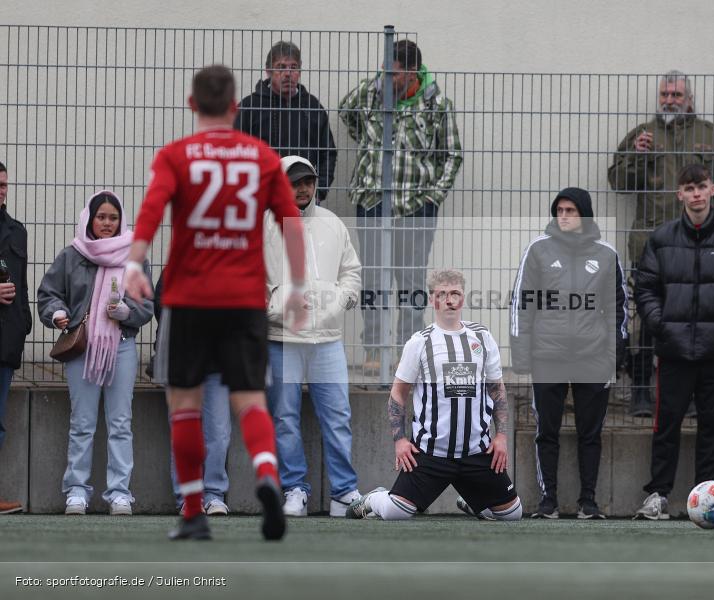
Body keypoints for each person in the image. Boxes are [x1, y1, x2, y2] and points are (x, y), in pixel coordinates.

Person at [123, 64, 307, 541]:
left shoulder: (176, 156)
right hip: (244, 300)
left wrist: (133, 265)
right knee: (248, 399)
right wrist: (298, 288)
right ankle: (266, 473)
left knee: (184, 405)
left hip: (188, 300)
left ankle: (192, 511)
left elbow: (151, 210)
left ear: (191, 105)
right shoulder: (262, 157)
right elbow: (291, 221)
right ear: (235, 107)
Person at [608, 70, 714, 417]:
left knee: (699, 314)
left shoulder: (711, 137)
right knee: (643, 319)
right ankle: (640, 390)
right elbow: (618, 182)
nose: (670, 100)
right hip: (649, 243)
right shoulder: (642, 136)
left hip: (701, 245)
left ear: (690, 99)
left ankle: (698, 395)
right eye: (665, 94)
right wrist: (637, 156)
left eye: (677, 95)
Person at [347, 269, 521, 522]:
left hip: (477, 453)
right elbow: (398, 393)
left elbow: (497, 389)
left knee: (512, 515)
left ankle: (473, 501)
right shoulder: (420, 342)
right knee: (397, 512)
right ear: (432, 300)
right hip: (431, 454)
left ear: (463, 297)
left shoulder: (482, 337)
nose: (449, 300)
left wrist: (502, 436)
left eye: (455, 294)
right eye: (442, 294)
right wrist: (400, 440)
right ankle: (374, 498)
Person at [339, 39, 463, 371]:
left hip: (415, 208)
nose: (384, 75)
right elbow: (346, 111)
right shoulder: (373, 93)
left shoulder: (436, 104)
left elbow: (451, 155)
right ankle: (375, 353)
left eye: (390, 71)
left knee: (410, 283)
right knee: (374, 282)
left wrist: (433, 196)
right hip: (373, 201)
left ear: (410, 73)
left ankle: (408, 355)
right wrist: (374, 94)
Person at [633, 164, 714, 520]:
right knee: (666, 425)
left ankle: (707, 496)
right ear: (679, 194)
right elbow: (645, 288)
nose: (696, 194)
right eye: (688, 188)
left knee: (712, 427)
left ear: (713, 190)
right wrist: (660, 324)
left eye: (701, 187)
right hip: (674, 351)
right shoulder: (662, 238)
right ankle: (658, 495)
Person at [509, 188, 627, 519]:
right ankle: (549, 501)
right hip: (548, 356)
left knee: (590, 433)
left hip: (593, 358)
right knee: (546, 431)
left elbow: (619, 308)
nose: (563, 215)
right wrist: (522, 355)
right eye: (559, 209)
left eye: (571, 210)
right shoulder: (538, 250)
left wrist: (614, 355)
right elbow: (522, 303)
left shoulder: (606, 254)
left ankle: (588, 501)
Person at [37, 191, 153, 516]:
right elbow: (48, 294)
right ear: (90, 218)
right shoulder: (72, 255)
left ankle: (119, 492)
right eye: (101, 217)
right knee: (82, 423)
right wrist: (58, 313)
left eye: (112, 218)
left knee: (120, 422)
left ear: (121, 221)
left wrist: (127, 313)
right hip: (82, 347)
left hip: (123, 347)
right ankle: (76, 491)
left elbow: (147, 305)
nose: (106, 223)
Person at [265, 155, 362, 517]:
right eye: (293, 182)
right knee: (285, 417)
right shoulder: (265, 226)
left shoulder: (333, 224)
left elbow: (351, 272)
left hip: (327, 338)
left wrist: (340, 300)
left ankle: (344, 492)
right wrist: (274, 307)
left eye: (307, 181)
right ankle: (294, 489)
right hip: (282, 338)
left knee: (337, 415)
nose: (302, 188)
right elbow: (250, 276)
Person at [152, 272, 232, 516]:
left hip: (218, 364)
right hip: (181, 363)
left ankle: (214, 494)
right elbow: (163, 310)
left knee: (218, 432)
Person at [235, 41, 336, 202]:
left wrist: (319, 192)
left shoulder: (312, 107)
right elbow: (235, 152)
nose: (288, 73)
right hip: (261, 198)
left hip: (302, 198)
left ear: (300, 71)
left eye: (293, 67)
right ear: (268, 71)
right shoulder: (250, 107)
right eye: (281, 67)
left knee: (293, 229)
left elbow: (328, 153)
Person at [0, 161, 31, 515]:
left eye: (5, 185)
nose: (2, 190)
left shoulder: (16, 231)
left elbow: (20, 288)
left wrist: (23, 325)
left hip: (6, 341)